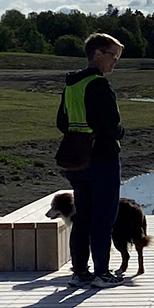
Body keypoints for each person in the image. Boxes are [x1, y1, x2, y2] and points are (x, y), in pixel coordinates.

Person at [56, 32, 127, 285]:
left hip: (76, 160)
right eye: (113, 56)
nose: (115, 63)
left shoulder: (72, 84)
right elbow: (112, 125)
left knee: (82, 218)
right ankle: (102, 273)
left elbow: (61, 122)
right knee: (103, 218)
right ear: (98, 53)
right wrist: (120, 132)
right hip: (103, 159)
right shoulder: (98, 84)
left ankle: (79, 272)